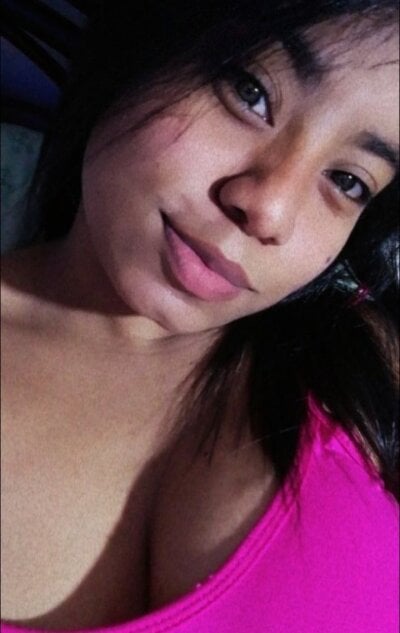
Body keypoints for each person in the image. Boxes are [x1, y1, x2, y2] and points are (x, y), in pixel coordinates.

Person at [1, 1, 399, 631]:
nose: (270, 210)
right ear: (141, 45)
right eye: (250, 92)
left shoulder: (366, 365)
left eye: (349, 181)